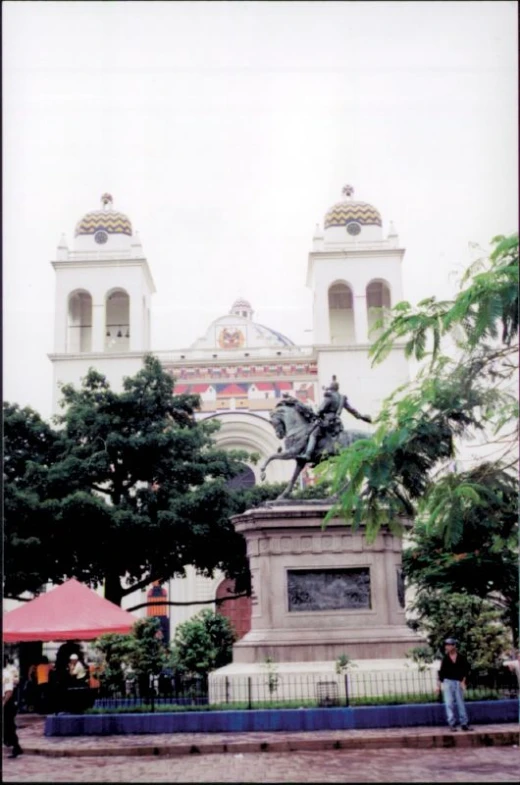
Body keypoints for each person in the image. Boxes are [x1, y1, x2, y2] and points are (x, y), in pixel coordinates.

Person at [299, 376, 372, 461]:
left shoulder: (329, 397)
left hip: (327, 422)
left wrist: (316, 411)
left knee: (313, 434)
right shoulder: (342, 398)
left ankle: (307, 454)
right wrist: (361, 417)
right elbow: (352, 410)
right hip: (337, 424)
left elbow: (320, 410)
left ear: (331, 388)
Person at [437, 637, 472, 731]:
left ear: (454, 646)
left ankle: (464, 723)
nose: (447, 647)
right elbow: (441, 673)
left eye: (449, 645)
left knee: (460, 703)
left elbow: (466, 670)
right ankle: (452, 723)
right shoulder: (445, 659)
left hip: (458, 681)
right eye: (446, 645)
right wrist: (438, 685)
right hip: (448, 682)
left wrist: (463, 682)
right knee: (449, 703)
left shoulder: (461, 658)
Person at [3, 656, 23, 758]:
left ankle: (15, 746)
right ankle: (13, 744)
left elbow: (16, 682)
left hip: (8, 699)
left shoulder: (10, 671)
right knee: (8, 726)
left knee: (9, 725)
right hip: (6, 698)